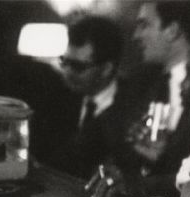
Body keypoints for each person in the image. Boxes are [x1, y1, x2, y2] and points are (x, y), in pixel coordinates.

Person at [87, 1, 190, 197]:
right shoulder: (144, 83)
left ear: (172, 30)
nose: (136, 36)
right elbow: (109, 141)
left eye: (144, 25)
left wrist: (138, 183)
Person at [54, 15, 132, 180]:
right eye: (64, 61)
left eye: (78, 66)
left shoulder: (134, 103)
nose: (67, 72)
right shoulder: (56, 94)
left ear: (106, 69)